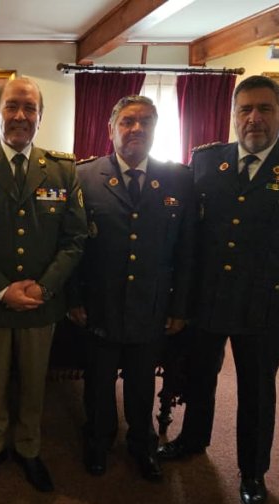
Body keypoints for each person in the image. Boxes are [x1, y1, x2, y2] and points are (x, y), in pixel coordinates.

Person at [156, 75, 279, 504]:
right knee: (199, 377)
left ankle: (253, 472)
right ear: (233, 116)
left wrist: (266, 267)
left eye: (264, 109)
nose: (254, 118)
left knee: (257, 390)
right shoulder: (206, 161)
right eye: (245, 110)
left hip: (263, 299)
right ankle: (193, 439)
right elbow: (192, 231)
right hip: (208, 296)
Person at [0, 76, 87, 493]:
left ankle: (29, 449)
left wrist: (43, 289)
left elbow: (75, 238)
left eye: (29, 108)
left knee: (34, 382)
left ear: (40, 117)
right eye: (12, 106)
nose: (20, 116)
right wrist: (2, 290)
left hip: (41, 304)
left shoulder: (64, 170)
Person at [70, 95, 195, 481]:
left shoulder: (178, 178)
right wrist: (73, 298)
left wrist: (180, 307)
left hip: (151, 305)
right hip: (100, 303)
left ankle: (143, 445)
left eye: (145, 121)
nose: (136, 128)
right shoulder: (84, 176)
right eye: (127, 121)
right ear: (111, 130)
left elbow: (187, 248)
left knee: (142, 383)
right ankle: (99, 440)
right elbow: (73, 244)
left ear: (156, 130)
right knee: (99, 382)